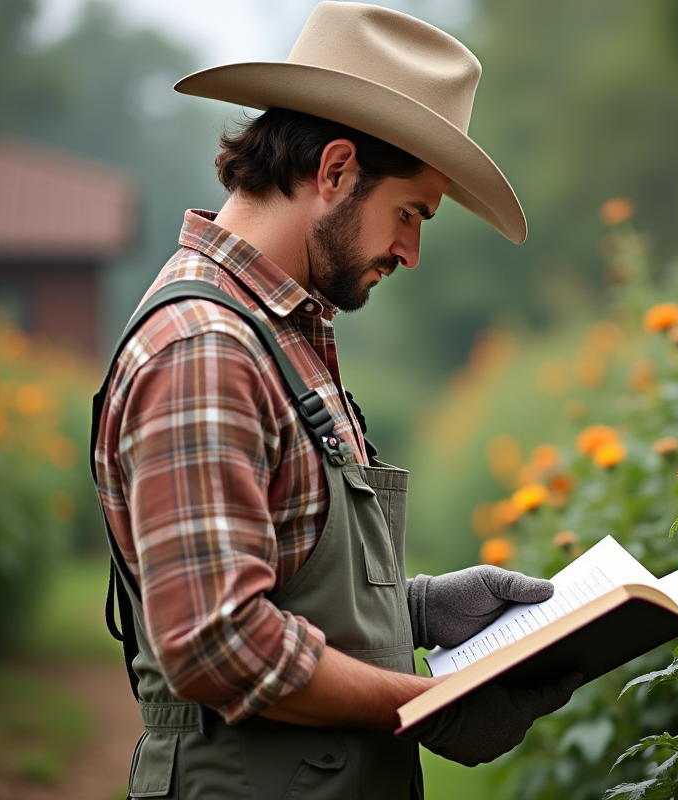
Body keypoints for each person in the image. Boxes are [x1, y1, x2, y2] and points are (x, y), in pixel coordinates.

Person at [89, 3, 580, 798]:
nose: (411, 252)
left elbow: (278, 575)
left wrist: (417, 613)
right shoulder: (206, 349)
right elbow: (218, 641)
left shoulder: (277, 333)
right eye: (410, 213)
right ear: (336, 170)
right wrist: (425, 703)